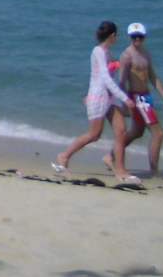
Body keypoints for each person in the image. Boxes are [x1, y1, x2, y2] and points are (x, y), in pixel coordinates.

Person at [53, 20, 139, 184]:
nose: (117, 38)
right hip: (99, 97)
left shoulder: (107, 53)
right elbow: (104, 79)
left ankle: (121, 170)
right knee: (94, 134)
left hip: (110, 98)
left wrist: (120, 65)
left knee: (121, 131)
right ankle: (64, 156)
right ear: (112, 35)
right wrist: (125, 98)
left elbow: (103, 74)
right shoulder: (98, 51)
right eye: (116, 35)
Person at [119, 22, 163, 178]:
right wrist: (124, 103)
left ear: (144, 37)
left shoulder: (146, 53)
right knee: (159, 133)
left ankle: (111, 156)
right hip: (137, 98)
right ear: (130, 37)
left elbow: (153, 77)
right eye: (134, 37)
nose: (137, 39)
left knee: (137, 132)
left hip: (146, 97)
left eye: (140, 36)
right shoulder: (126, 56)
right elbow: (122, 82)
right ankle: (154, 171)